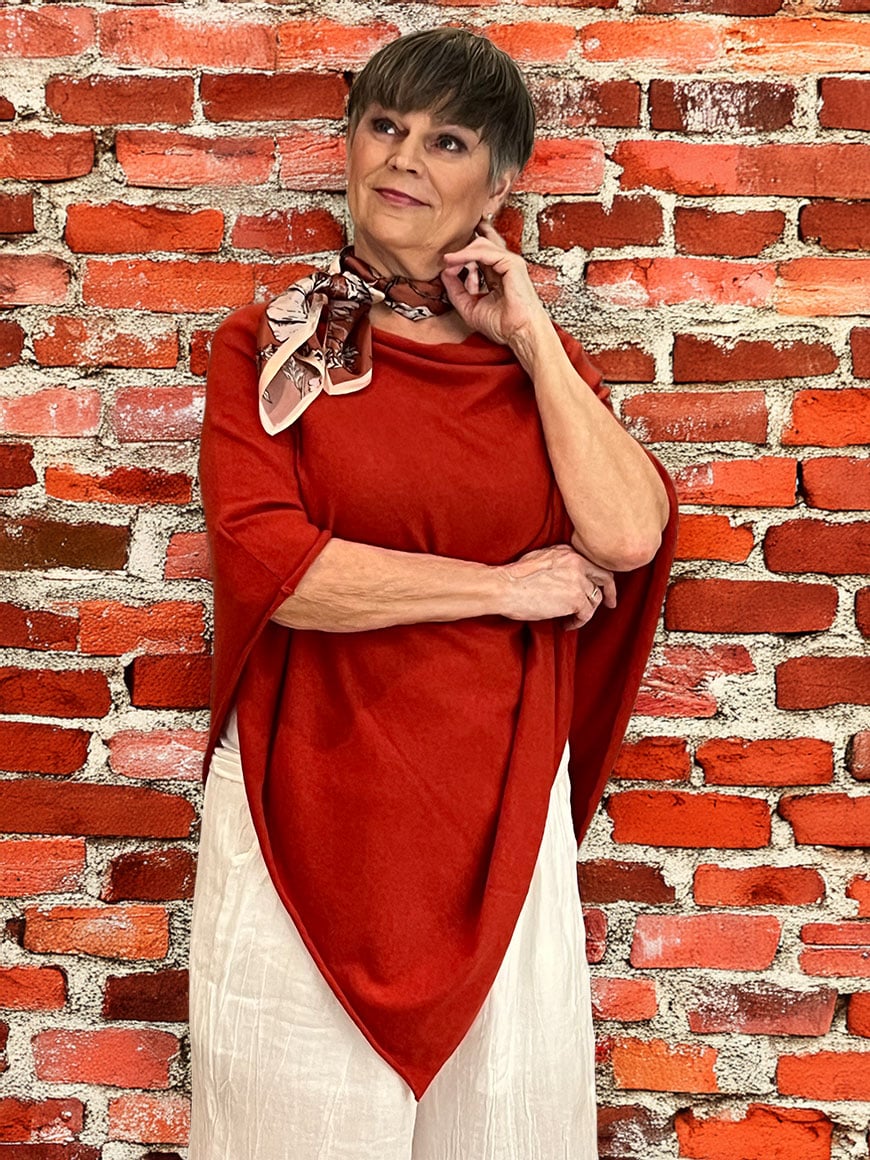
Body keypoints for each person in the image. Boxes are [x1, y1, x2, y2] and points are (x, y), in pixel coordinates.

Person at [190, 26, 677, 1160]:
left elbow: (626, 532)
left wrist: (531, 332)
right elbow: (281, 572)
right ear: (351, 145)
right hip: (307, 799)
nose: (403, 157)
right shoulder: (269, 349)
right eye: (385, 125)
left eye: (447, 140)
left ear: (499, 187)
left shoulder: (533, 366)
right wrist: (505, 588)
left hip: (496, 814)